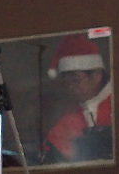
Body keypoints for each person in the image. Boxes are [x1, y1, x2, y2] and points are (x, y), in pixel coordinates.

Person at [44, 34, 113, 163]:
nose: (70, 87)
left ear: (97, 75)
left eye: (76, 80)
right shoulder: (68, 119)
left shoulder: (118, 104)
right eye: (67, 82)